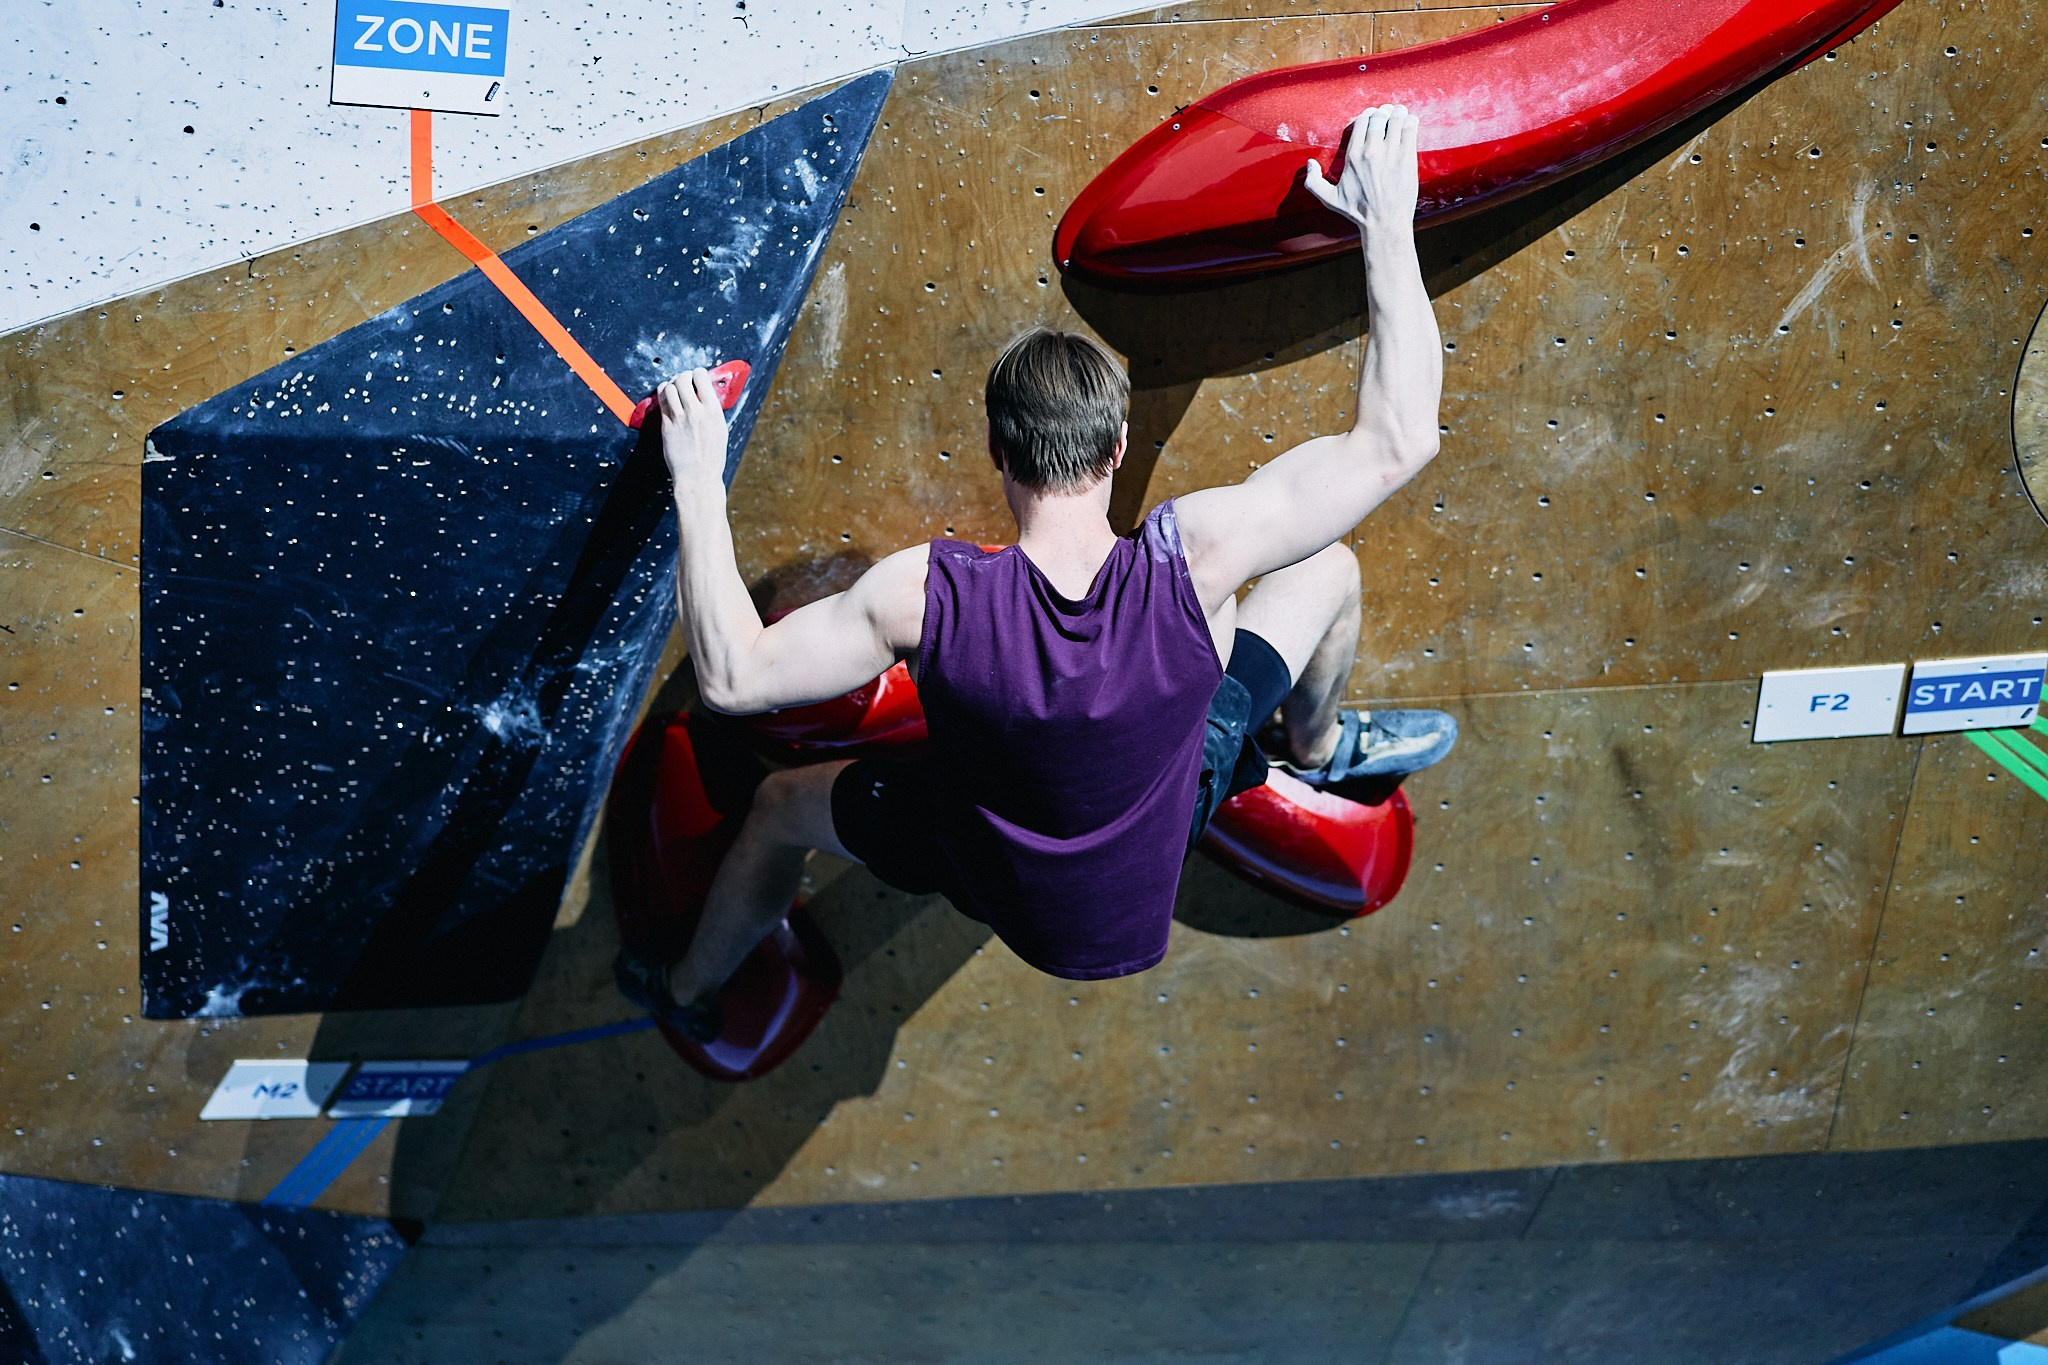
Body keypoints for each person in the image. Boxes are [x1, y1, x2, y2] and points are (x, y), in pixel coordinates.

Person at [617, 104, 1452, 1040]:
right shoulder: (1198, 556)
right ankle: (1314, 744)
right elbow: (1398, 436)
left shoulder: (928, 599)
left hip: (985, 870)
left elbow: (731, 678)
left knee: (777, 806)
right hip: (1168, 822)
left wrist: (695, 475)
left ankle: (687, 989)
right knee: (1326, 569)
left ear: (995, 451)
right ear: (1120, 445)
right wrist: (1384, 222)